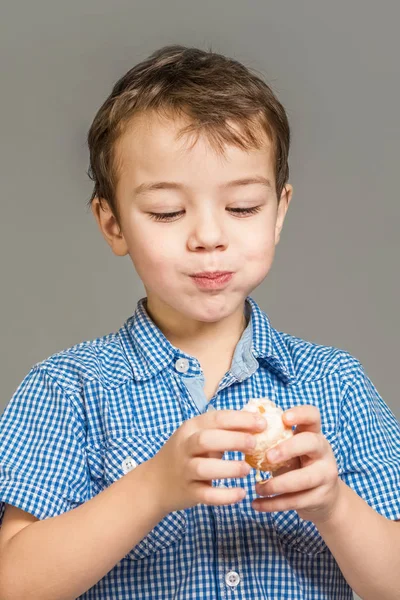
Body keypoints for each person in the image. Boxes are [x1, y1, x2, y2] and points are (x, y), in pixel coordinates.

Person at [0, 44, 398, 600]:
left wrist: (335, 506)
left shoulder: (336, 384)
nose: (209, 237)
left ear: (280, 211)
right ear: (112, 223)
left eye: (242, 208)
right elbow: (13, 582)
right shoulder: (68, 390)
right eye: (167, 212)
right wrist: (151, 490)